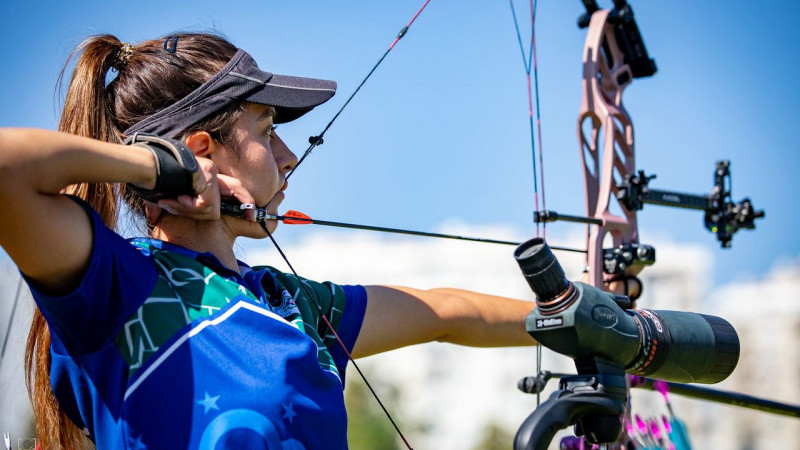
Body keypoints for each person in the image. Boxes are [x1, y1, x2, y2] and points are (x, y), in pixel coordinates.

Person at [0, 32, 536, 449]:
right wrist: (153, 165)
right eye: (266, 128)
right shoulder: (120, 286)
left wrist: (584, 320)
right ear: (202, 150)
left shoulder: (289, 304)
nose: (287, 156)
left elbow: (444, 311)